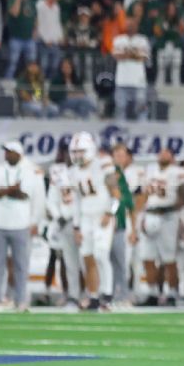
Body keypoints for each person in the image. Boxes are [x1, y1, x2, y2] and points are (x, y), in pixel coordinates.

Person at [71, 131, 121, 311]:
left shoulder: (103, 164)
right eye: (75, 152)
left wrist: (110, 212)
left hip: (102, 215)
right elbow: (76, 200)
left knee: (101, 254)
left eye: (81, 151)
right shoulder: (74, 171)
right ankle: (93, 296)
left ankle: (107, 295)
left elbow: (116, 193)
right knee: (87, 257)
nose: (77, 156)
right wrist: (76, 226)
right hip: (85, 217)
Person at [0, 140, 34, 312]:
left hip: (20, 224)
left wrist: (4, 191)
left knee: (21, 265)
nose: (6, 154)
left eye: (10, 151)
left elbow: (25, 195)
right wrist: (10, 189)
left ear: (18, 154)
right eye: (5, 151)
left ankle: (20, 300)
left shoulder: (28, 172)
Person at [139, 148, 184, 306]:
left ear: (173, 156)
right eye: (160, 152)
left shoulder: (179, 172)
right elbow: (144, 196)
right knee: (147, 257)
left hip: (168, 216)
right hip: (150, 214)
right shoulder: (150, 171)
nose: (162, 154)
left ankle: (173, 292)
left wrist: (171, 209)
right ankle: (152, 292)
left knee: (169, 258)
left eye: (166, 152)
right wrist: (142, 215)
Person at [46, 146, 82, 309]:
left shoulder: (83, 171)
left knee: (87, 261)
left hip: (83, 222)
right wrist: (57, 216)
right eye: (66, 152)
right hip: (64, 222)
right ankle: (73, 296)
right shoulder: (57, 174)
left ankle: (91, 294)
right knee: (69, 263)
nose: (68, 156)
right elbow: (51, 199)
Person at [109, 145, 138, 308]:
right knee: (107, 262)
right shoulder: (110, 174)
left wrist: (133, 229)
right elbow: (114, 199)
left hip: (119, 224)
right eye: (117, 155)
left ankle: (121, 294)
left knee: (120, 262)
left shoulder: (122, 176)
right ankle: (110, 294)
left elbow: (128, 203)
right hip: (107, 224)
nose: (120, 158)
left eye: (122, 155)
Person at [112, 17, 151, 120]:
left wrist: (126, 53)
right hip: (122, 81)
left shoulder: (143, 40)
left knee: (141, 108)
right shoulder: (119, 39)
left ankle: (142, 132)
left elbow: (143, 57)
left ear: (137, 26)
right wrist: (135, 53)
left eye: (132, 25)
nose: (130, 27)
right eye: (128, 25)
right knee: (120, 109)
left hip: (138, 81)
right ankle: (120, 132)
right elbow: (117, 56)